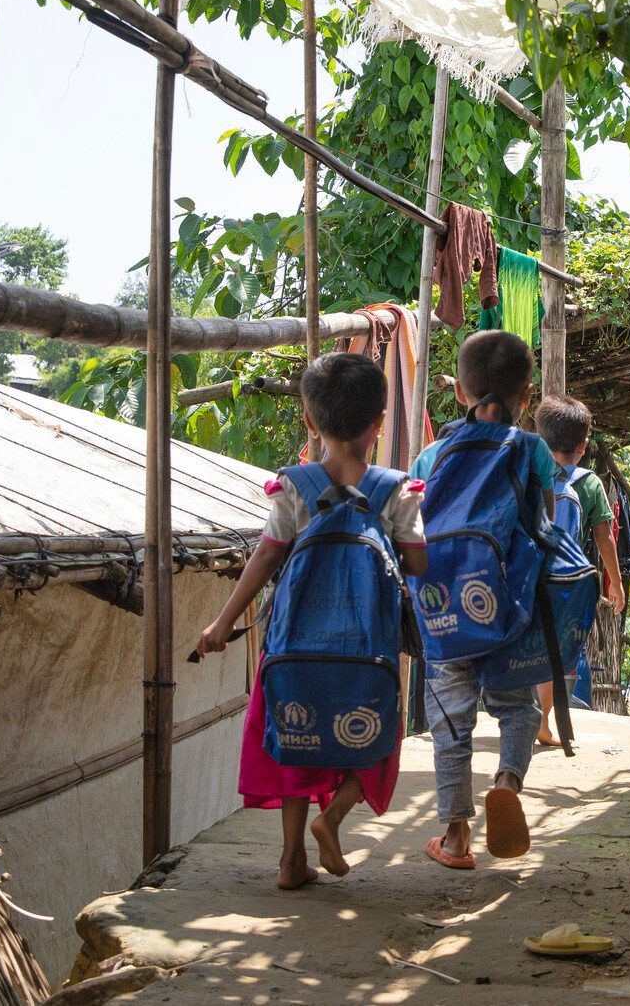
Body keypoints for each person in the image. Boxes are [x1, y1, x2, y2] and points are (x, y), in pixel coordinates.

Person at [195, 352, 429, 891]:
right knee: (378, 731)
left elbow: (267, 556)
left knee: (293, 729)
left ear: (309, 419)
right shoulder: (396, 489)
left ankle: (288, 860)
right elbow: (417, 564)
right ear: (378, 425)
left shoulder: (293, 487)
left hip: (294, 641)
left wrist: (222, 623)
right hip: (367, 646)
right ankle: (336, 816)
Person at [408, 330, 557, 870]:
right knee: (519, 706)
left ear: (458, 393)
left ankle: (454, 838)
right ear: (528, 393)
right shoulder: (533, 448)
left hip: (445, 609)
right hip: (510, 607)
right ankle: (508, 783)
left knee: (449, 721)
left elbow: (411, 529)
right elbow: (546, 525)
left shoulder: (430, 457)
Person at [532, 395, 628, 746]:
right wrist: (614, 583)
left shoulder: (529, 469)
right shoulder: (588, 483)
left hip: (525, 572)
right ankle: (541, 721)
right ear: (584, 444)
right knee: (553, 650)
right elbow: (605, 539)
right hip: (562, 580)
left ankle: (516, 715)